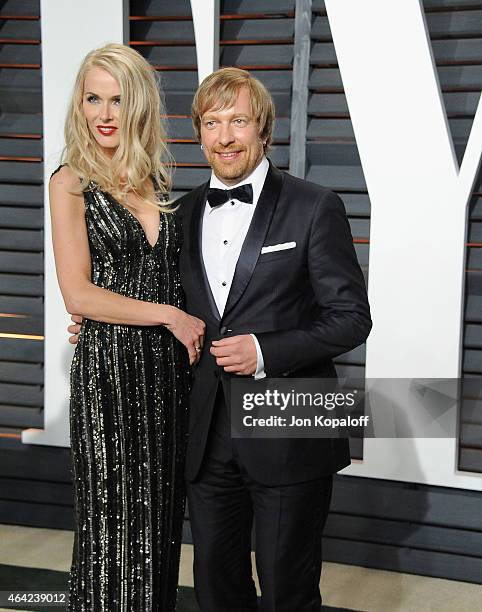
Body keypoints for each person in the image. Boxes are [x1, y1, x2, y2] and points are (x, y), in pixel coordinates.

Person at [70, 67, 371, 611]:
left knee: (287, 587)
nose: (225, 136)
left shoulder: (314, 204)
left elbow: (352, 318)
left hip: (291, 419)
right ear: (198, 132)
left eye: (238, 121)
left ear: (263, 130)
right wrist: (94, 322)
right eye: (212, 123)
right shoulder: (179, 213)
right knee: (216, 587)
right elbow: (160, 304)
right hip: (205, 433)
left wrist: (264, 351)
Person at [50, 43, 204, 611]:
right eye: (93, 98)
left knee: (159, 532)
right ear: (80, 104)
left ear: (138, 105)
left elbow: (171, 280)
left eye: (117, 99)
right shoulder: (69, 182)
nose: (104, 113)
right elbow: (78, 292)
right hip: (109, 377)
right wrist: (166, 314)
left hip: (166, 381)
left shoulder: (157, 182)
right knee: (110, 532)